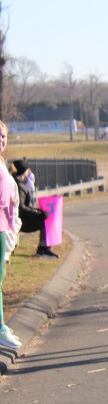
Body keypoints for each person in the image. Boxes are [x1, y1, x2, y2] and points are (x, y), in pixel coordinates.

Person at [0, 122, 21, 350]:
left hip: (3, 227)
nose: (1, 139)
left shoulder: (2, 164)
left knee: (0, 278)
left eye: (3, 136)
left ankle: (1, 326)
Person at [11, 159, 59, 258]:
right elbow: (21, 208)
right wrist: (39, 214)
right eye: (27, 170)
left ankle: (44, 249)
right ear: (24, 171)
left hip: (17, 219)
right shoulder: (20, 186)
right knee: (45, 221)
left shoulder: (18, 183)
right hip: (20, 221)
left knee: (44, 217)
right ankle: (43, 249)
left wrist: (38, 212)